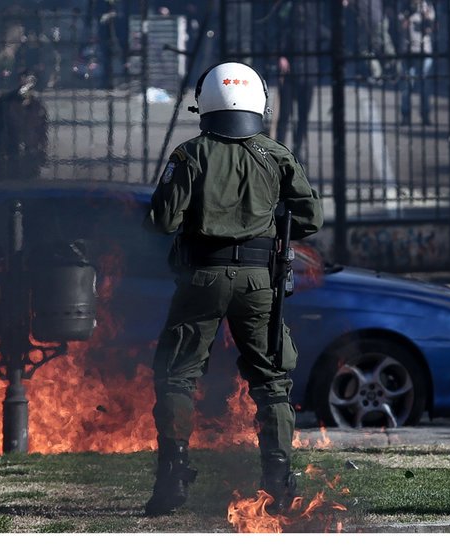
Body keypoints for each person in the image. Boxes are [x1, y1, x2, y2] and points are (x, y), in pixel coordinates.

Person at [143, 62, 323, 517]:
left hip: (202, 277)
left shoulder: (190, 155)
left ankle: (173, 477)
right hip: (259, 283)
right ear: (259, 102)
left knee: (178, 374)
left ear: (205, 102)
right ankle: (278, 483)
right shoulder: (276, 155)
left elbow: (162, 221)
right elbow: (310, 219)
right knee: (271, 383)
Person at [275, 0, 330, 152]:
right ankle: (279, 151)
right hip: (290, 75)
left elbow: (327, 39)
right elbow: (280, 38)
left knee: (303, 116)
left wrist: (317, 57)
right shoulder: (288, 23)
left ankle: (297, 150)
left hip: (308, 73)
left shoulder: (314, 27)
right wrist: (282, 57)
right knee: (285, 116)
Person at [0, 72, 49, 181]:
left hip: (28, 162)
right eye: (22, 82)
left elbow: (42, 133)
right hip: (5, 159)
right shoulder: (1, 104)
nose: (25, 86)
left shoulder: (36, 107)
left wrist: (40, 155)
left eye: (28, 83)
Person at [399, 0, 436, 125]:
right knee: (407, 85)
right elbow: (401, 26)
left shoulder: (428, 6)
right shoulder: (403, 6)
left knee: (426, 85)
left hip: (424, 50)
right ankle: (405, 114)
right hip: (408, 50)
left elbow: (430, 28)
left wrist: (425, 16)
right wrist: (408, 14)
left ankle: (425, 115)